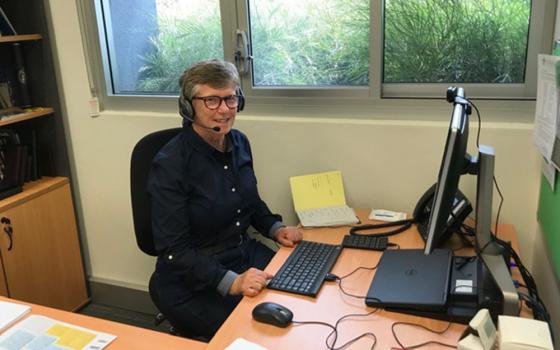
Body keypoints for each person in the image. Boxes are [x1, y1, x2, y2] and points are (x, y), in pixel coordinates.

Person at [147, 59, 302, 340]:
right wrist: (232, 282)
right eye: (212, 101)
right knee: (255, 337)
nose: (224, 109)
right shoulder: (170, 164)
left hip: (243, 252)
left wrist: (276, 229)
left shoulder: (239, 142)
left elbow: (250, 202)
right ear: (188, 106)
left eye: (230, 98)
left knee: (301, 295)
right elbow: (174, 250)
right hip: (191, 279)